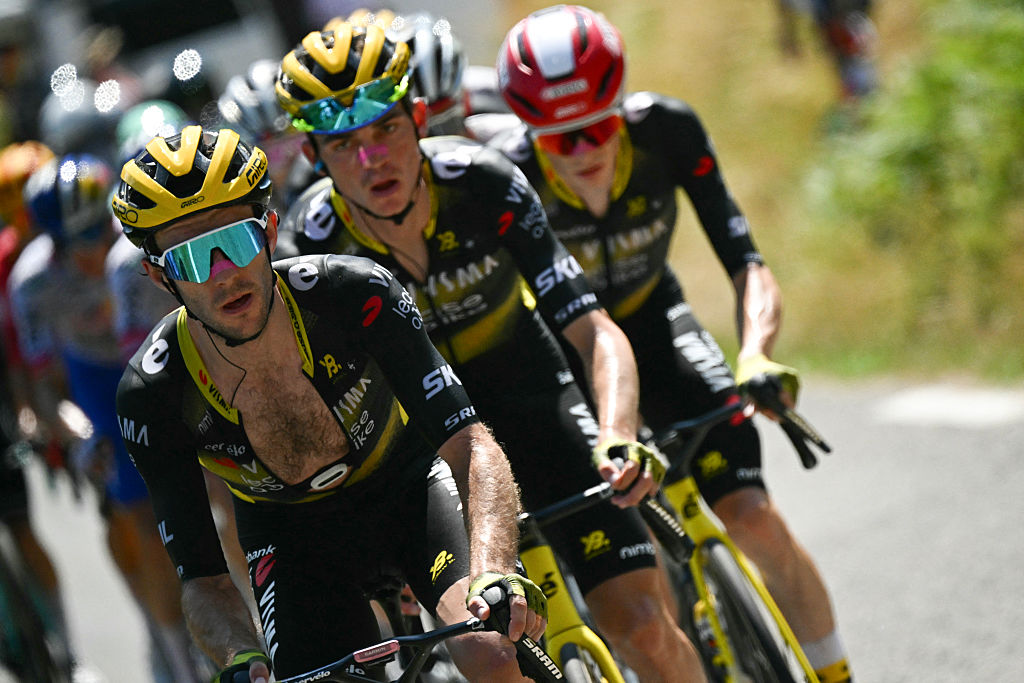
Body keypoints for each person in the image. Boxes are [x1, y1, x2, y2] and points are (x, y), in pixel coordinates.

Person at [274, 22, 707, 682]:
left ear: (420, 118)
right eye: (342, 144)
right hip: (430, 452)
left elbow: (592, 328)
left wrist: (619, 432)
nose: (372, 160)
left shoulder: (484, 182)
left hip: (535, 400)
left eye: (386, 129)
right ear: (313, 153)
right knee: (496, 661)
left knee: (646, 625)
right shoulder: (312, 250)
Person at [486, 6, 853, 682]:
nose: (584, 150)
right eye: (560, 139)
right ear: (529, 133)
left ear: (622, 107)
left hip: (658, 320)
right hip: (579, 363)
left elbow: (745, 258)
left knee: (754, 518)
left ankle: (837, 674)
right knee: (643, 572)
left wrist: (756, 353)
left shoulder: (668, 131)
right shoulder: (505, 181)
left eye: (599, 125)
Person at [110, 124, 546, 682]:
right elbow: (203, 578)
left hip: (409, 492)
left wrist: (493, 569)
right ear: (157, 275)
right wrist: (241, 660)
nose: (224, 275)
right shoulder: (152, 394)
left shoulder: (355, 296)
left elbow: (469, 444)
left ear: (268, 232)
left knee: (492, 651)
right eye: (194, 260)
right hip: (292, 544)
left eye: (237, 242)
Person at [12, 153, 210, 682]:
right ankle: (174, 655)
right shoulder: (31, 284)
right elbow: (44, 385)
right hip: (96, 381)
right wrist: (80, 432)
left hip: (166, 351)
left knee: (218, 490)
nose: (96, 252)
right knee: (140, 519)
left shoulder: (140, 244)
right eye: (78, 245)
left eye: (101, 232)